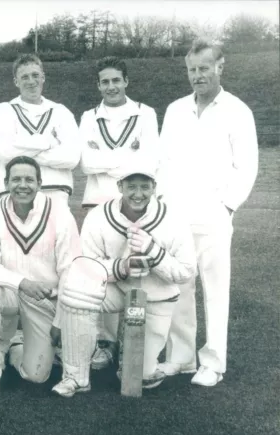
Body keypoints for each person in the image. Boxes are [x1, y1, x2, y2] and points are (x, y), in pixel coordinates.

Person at [157, 39, 258, 386]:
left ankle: (213, 362)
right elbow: (163, 163)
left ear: (219, 67)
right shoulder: (174, 110)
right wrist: (162, 204)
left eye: (204, 68)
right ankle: (182, 358)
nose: (197, 75)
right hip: (176, 215)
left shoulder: (238, 111)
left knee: (216, 290)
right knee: (179, 287)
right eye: (192, 69)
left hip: (214, 217)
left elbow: (247, 168)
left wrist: (226, 206)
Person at [51, 164, 196, 397]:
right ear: (119, 186)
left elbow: (187, 272)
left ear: (154, 188)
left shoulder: (173, 218)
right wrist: (122, 267)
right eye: (131, 186)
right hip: (116, 289)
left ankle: (129, 352)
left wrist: (153, 252)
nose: (138, 194)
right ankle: (75, 376)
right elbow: (86, 266)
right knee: (76, 286)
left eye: (144, 187)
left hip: (156, 297)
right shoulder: (98, 216)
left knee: (140, 376)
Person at [0, 156, 81, 399]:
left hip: (44, 299)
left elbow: (70, 270)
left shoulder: (60, 214)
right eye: (16, 179)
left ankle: (15, 347)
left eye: (29, 179)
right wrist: (21, 283)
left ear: (40, 183)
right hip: (8, 292)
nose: (23, 185)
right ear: (6, 182)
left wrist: (61, 320)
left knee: (36, 375)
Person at [78, 56, 160, 371]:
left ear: (126, 81)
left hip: (134, 204)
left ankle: (134, 341)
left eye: (116, 80)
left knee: (134, 272)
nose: (111, 86)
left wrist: (108, 158)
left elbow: (151, 159)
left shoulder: (146, 113)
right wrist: (128, 158)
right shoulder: (88, 116)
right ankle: (103, 342)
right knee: (100, 271)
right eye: (105, 81)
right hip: (96, 202)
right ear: (98, 85)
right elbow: (85, 162)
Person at [0, 54, 80, 207]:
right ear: (16, 81)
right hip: (15, 191)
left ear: (43, 77)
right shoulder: (4, 110)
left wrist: (22, 148)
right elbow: (6, 152)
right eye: (25, 77)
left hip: (56, 191)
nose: (31, 81)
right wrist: (50, 142)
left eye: (35, 75)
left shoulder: (61, 112)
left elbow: (72, 158)